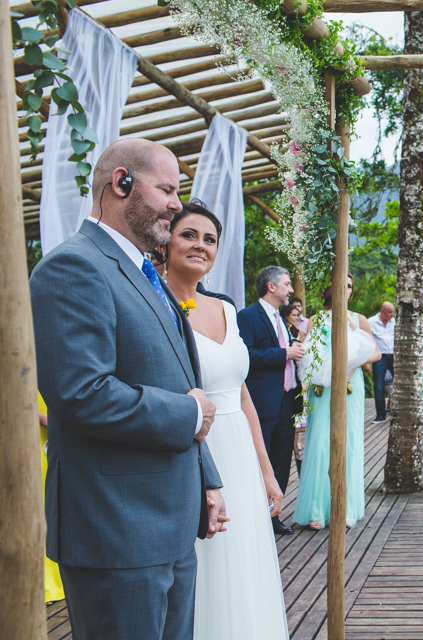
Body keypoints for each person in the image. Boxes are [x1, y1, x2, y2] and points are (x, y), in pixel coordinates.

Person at [30, 138, 226, 640]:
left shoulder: (145, 271)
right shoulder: (72, 267)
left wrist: (206, 477)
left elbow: (183, 382)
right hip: (116, 531)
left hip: (171, 526)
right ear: (121, 183)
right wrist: (186, 417)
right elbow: (81, 394)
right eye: (166, 190)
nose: (177, 205)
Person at [164, 202, 288, 639]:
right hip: (197, 448)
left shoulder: (226, 308)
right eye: (190, 234)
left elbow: (243, 396)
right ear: (166, 240)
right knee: (207, 564)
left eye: (210, 239)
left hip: (239, 449)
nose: (200, 245)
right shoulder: (157, 305)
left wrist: (267, 473)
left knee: (246, 561)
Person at [295, 274, 380, 529]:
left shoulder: (358, 319)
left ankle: (346, 508)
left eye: (350, 285)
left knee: (349, 444)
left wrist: (354, 365)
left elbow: (375, 352)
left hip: (350, 386)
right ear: (330, 288)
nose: (347, 289)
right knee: (320, 444)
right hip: (322, 388)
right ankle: (316, 510)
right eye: (342, 284)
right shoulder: (315, 320)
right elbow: (305, 353)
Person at [238, 266, 304, 536]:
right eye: (287, 284)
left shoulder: (281, 319)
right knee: (259, 458)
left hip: (287, 401)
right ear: (271, 287)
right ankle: (256, 517)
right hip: (262, 403)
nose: (291, 290)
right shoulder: (247, 316)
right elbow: (247, 355)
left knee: (281, 459)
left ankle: (274, 516)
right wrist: (284, 353)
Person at [37, 392, 64, 605]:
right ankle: (45, 587)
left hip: (53, 423)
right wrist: (45, 418)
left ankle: (54, 585)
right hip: (36, 426)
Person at [368, 301, 395, 423]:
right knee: (379, 386)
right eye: (390, 312)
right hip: (380, 357)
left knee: (400, 383)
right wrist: (366, 362)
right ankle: (380, 414)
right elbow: (366, 342)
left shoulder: (394, 322)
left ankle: (398, 411)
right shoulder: (371, 322)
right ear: (382, 312)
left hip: (394, 355)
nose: (392, 314)